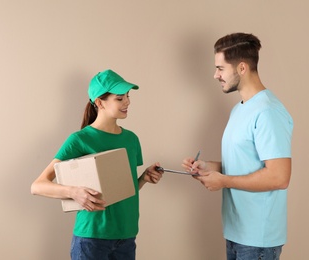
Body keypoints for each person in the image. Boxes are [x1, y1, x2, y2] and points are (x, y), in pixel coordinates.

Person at [31, 69, 164, 260]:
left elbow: (121, 189)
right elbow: (37, 186)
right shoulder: (80, 139)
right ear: (100, 102)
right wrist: (73, 192)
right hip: (92, 239)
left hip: (126, 236)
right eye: (119, 98)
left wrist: (143, 179)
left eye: (127, 96)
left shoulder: (131, 139)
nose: (127, 102)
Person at [182, 33, 293, 260]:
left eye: (221, 68)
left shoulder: (268, 111)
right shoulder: (240, 109)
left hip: (257, 240)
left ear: (242, 68)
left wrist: (223, 181)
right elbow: (244, 162)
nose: (215, 75)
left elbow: (279, 176)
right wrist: (207, 167)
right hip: (237, 232)